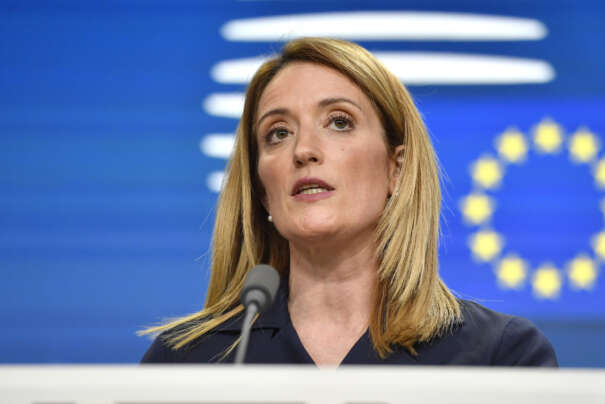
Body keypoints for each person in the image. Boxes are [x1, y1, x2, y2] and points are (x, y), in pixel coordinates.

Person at [141, 37, 557, 367]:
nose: (303, 150)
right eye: (278, 133)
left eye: (339, 122)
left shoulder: (500, 357)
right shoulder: (186, 363)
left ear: (396, 169)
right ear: (262, 189)